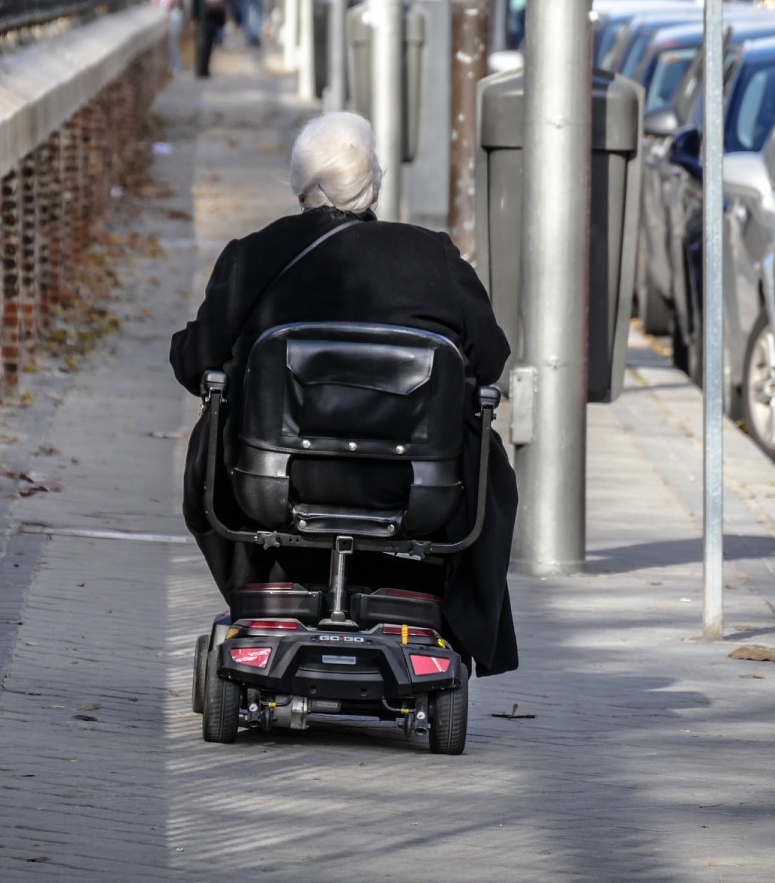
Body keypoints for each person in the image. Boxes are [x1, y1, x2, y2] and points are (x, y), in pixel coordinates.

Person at [169, 112, 520, 677]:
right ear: (374, 181)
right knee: (483, 446)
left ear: (299, 184)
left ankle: (269, 583)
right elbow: (491, 359)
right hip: (416, 492)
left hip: (274, 484)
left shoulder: (252, 256)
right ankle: (439, 607)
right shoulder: (434, 258)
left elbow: (194, 365)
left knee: (216, 423)